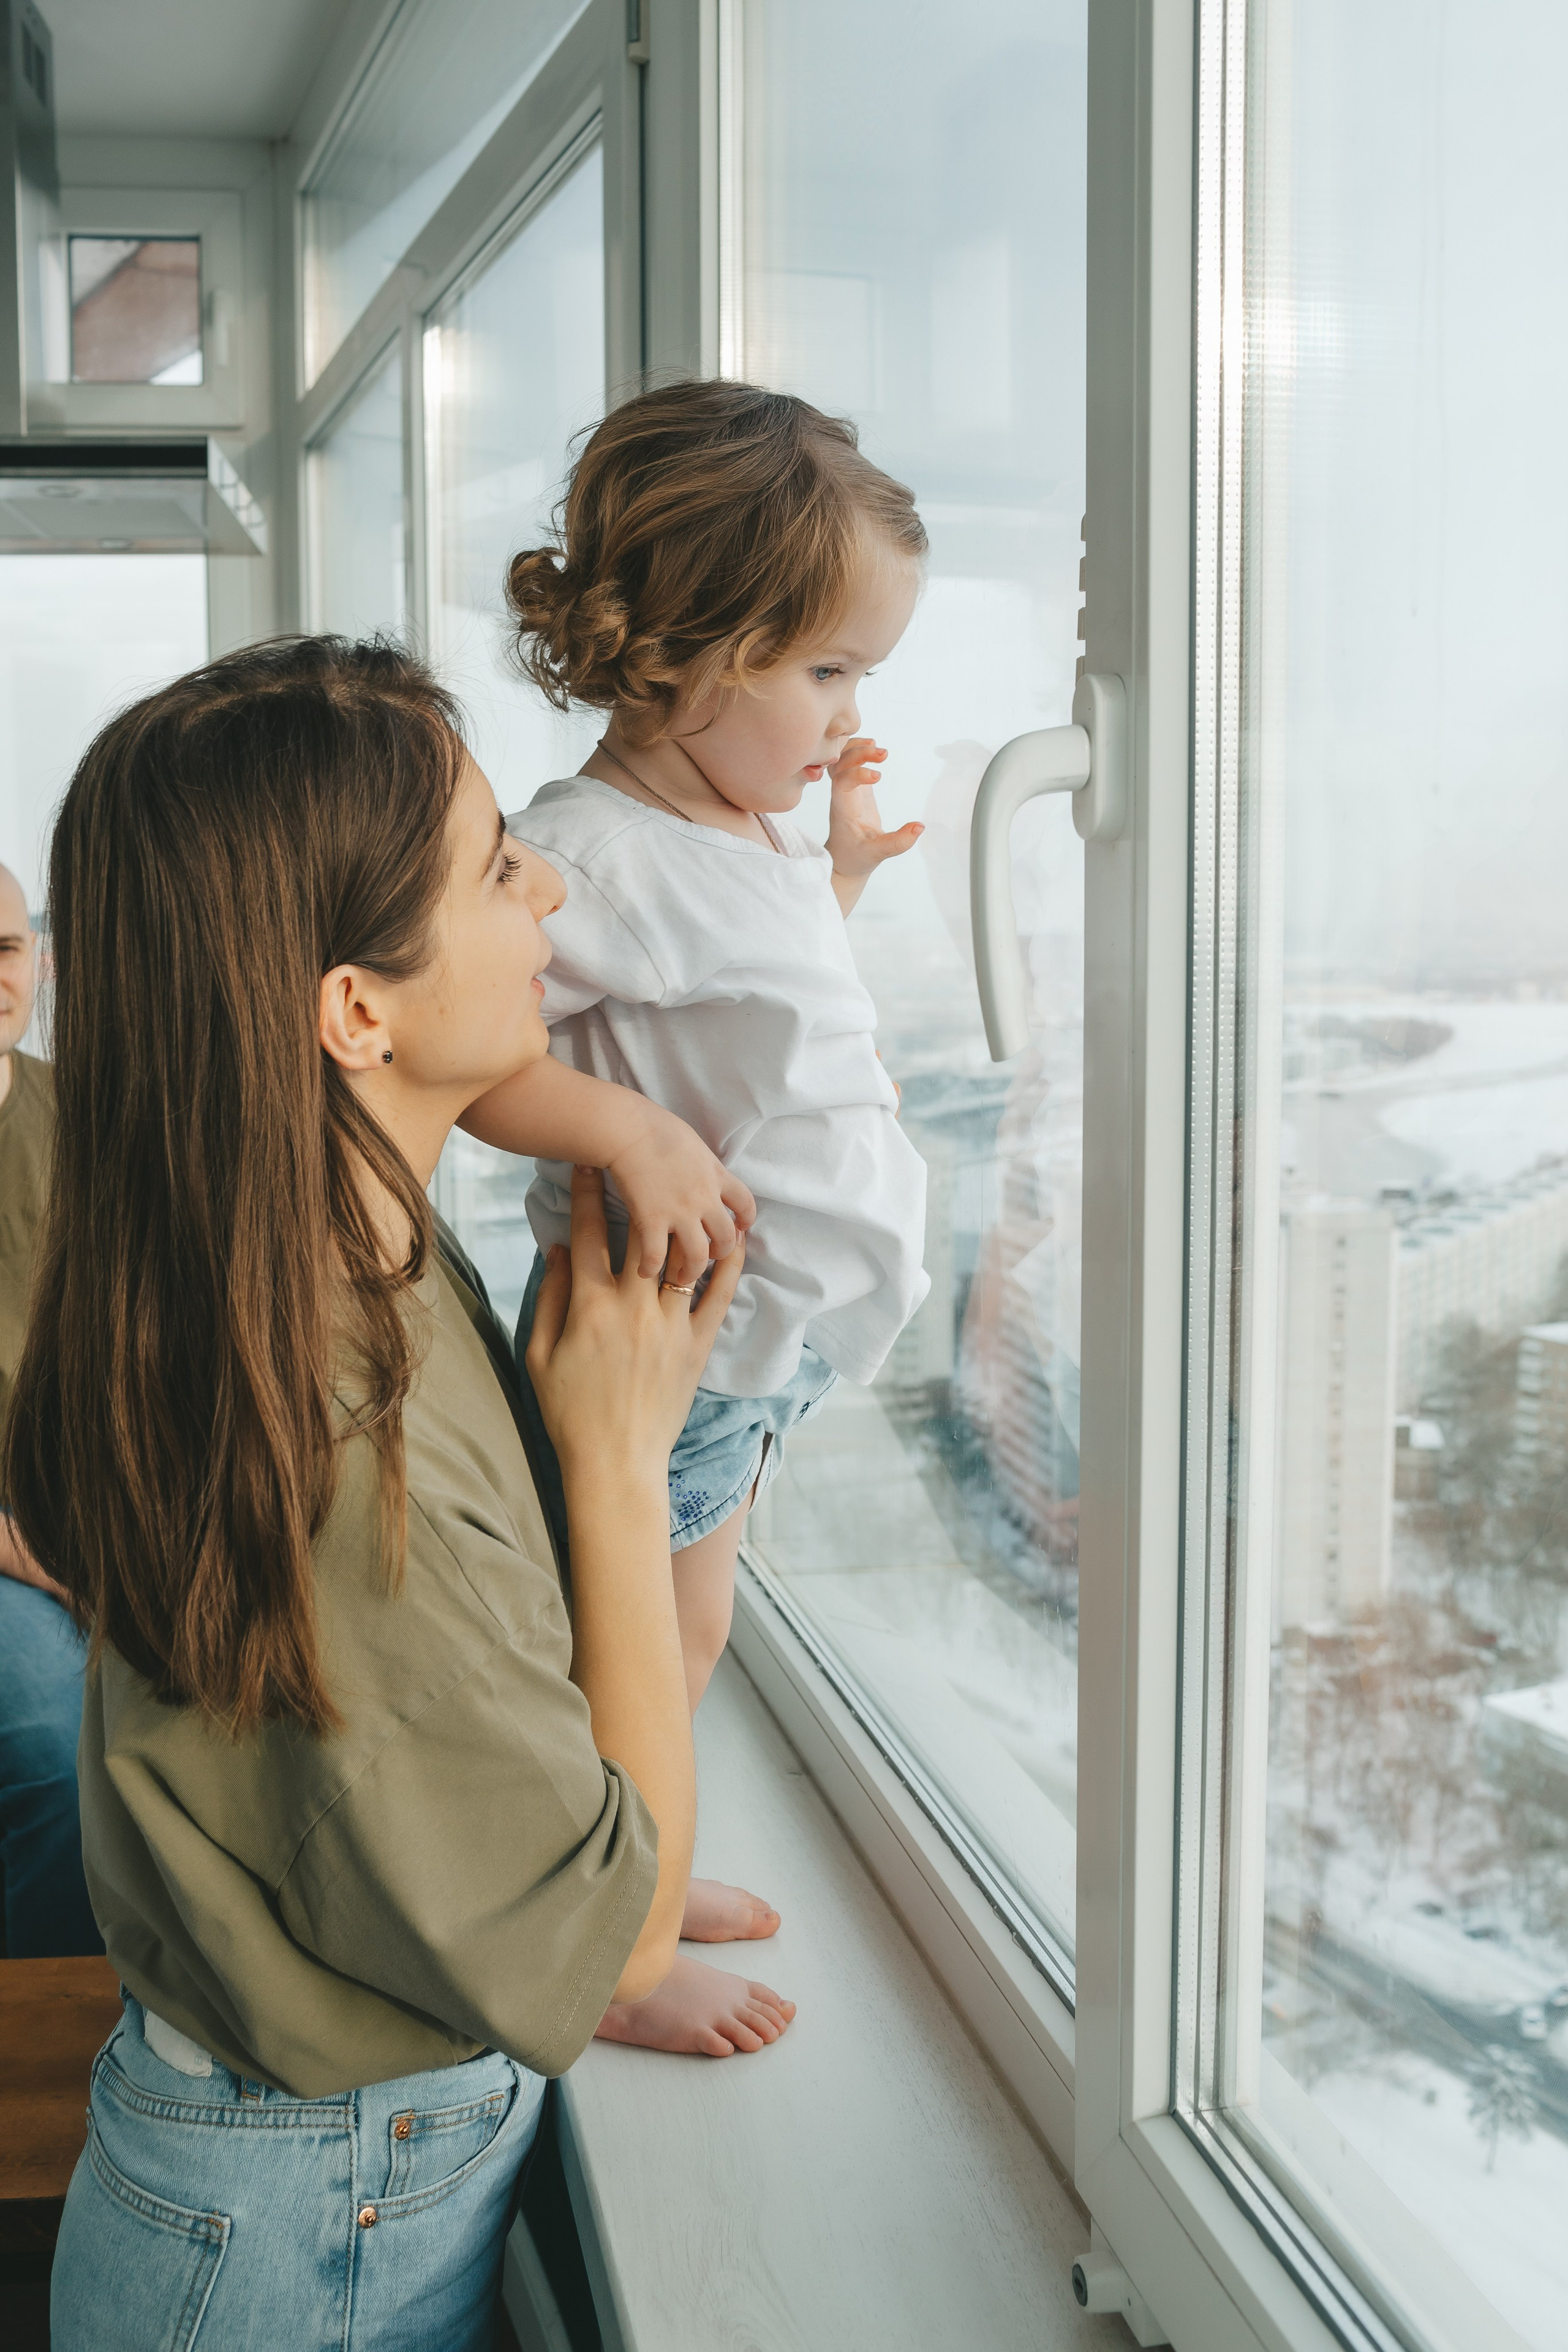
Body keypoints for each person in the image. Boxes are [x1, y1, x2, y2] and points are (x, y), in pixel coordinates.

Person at [4, 638, 791, 2352]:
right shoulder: (347, 1454)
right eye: (500, 863)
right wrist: (617, 1456)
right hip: (298, 2232)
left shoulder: (288, 1235)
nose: (553, 886)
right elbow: (627, 1941)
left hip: (286, 2171)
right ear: (353, 1009)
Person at [461, 379, 931, 2057]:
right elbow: (463, 1045)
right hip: (678, 1350)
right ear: (679, 657)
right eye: (824, 670)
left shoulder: (726, 830)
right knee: (652, 1634)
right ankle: (610, 1951)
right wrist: (611, 1126)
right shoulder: (589, 852)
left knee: (692, 1624)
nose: (847, 708)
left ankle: (638, 1874)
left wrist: (839, 875)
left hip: (759, 1348)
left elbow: (758, 1005)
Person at [0, 856, 100, 1957]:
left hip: (96, 1518)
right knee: (59, 1756)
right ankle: (46, 2059)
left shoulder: (91, 1120)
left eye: (6, 948)